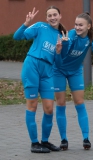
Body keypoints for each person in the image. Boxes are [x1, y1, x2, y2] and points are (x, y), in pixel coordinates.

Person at [13, 6, 66, 153]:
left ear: (60, 16)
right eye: (49, 15)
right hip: (32, 67)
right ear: (46, 17)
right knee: (33, 105)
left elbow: (59, 63)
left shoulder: (62, 36)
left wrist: (59, 52)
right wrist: (26, 23)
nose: (52, 17)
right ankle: (34, 143)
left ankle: (45, 141)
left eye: (55, 14)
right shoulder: (40, 26)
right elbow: (17, 37)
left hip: (47, 72)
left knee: (49, 108)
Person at [54, 12, 93, 150]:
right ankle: (63, 139)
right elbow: (63, 55)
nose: (77, 27)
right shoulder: (70, 35)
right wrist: (66, 43)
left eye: (80, 25)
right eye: (76, 24)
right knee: (61, 103)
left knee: (80, 103)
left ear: (88, 26)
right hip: (59, 70)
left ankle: (86, 138)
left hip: (75, 71)